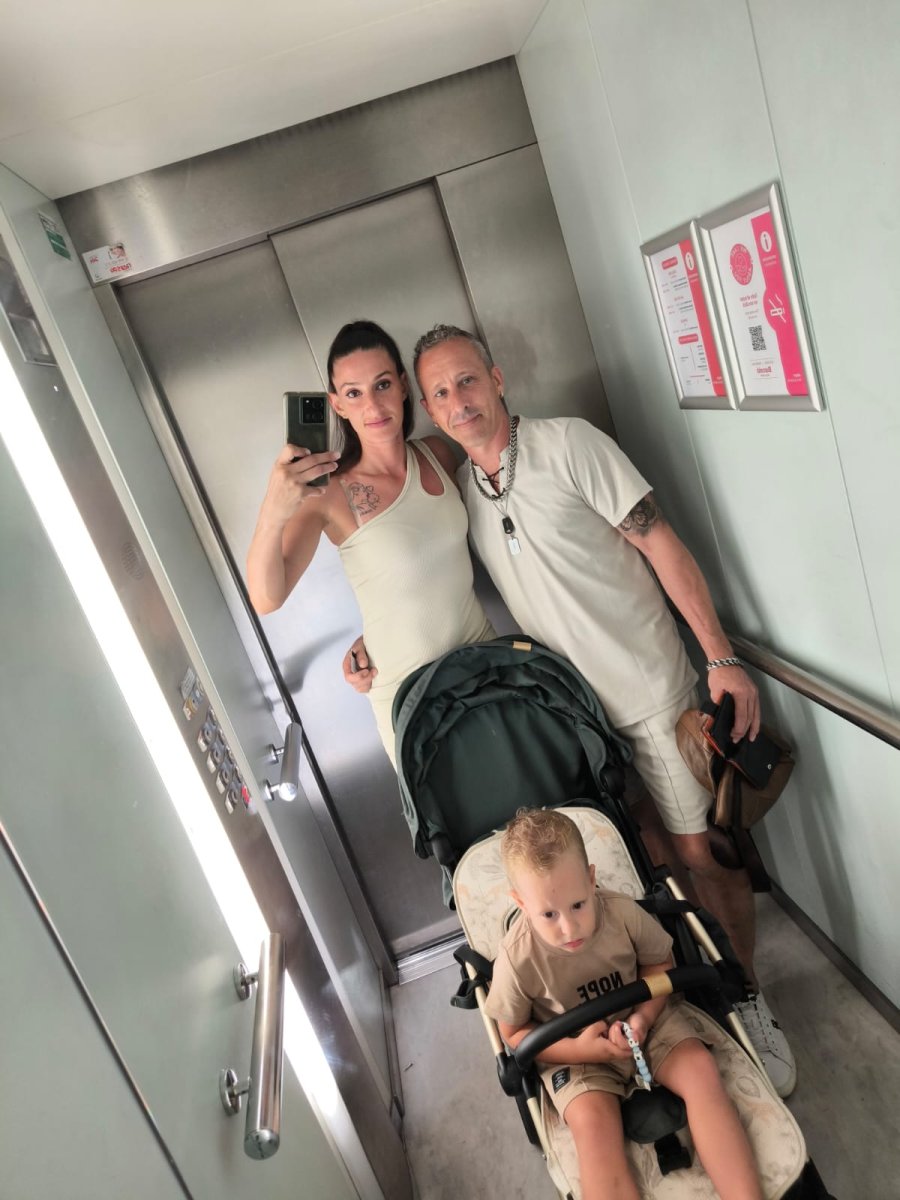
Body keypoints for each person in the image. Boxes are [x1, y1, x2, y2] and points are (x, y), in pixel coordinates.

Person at [402, 322, 795, 1096]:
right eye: (440, 392)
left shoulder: (570, 444)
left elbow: (660, 542)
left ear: (497, 378)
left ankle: (747, 993)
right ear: (431, 409)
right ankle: (689, 988)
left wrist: (720, 658)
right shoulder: (467, 493)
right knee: (639, 860)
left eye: (468, 379)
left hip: (650, 692)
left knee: (704, 854)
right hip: (573, 721)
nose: (458, 400)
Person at [484, 808, 764, 1200]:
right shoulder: (517, 958)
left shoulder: (622, 912)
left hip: (646, 1019)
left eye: (578, 905)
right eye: (548, 914)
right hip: (575, 1051)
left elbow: (660, 963)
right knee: (591, 1129)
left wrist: (644, 1017)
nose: (569, 927)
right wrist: (580, 1050)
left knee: (701, 1071)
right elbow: (513, 1033)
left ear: (591, 879)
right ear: (521, 903)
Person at [246, 319, 493, 761]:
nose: (373, 405)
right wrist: (272, 508)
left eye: (382, 385)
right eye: (354, 393)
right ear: (337, 405)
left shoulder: (437, 453)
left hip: (486, 666)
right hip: (412, 702)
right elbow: (267, 599)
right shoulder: (330, 496)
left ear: (402, 386)